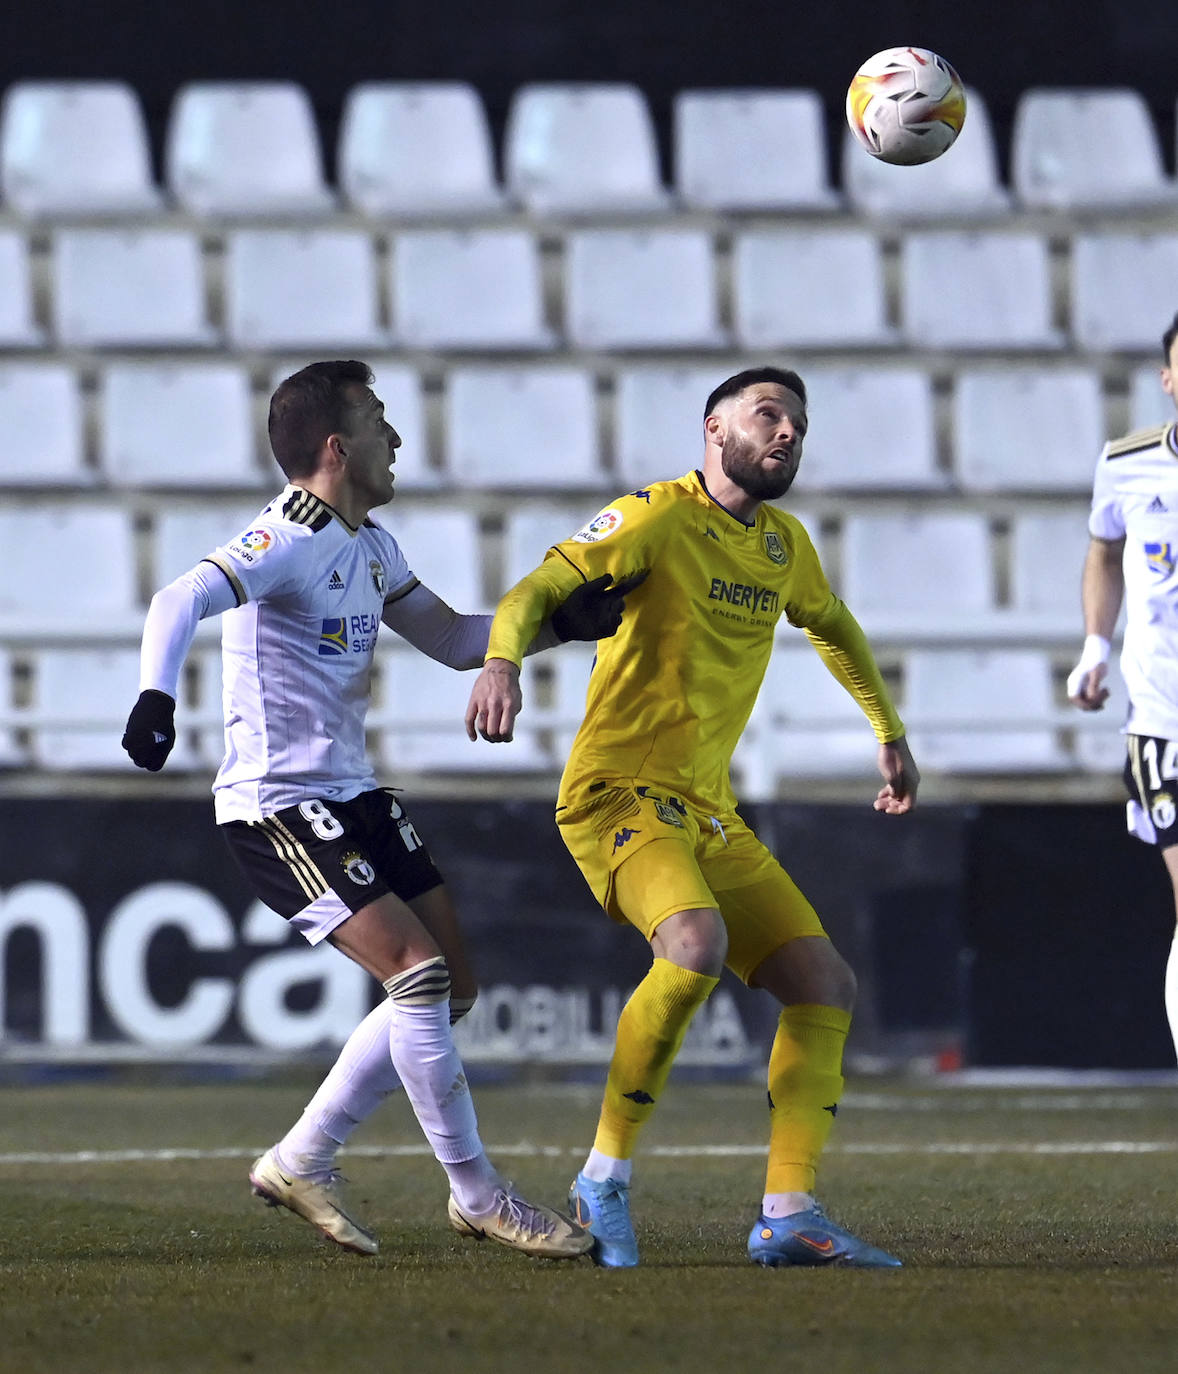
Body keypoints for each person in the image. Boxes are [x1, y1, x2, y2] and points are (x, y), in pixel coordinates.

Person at [122, 359, 640, 1261]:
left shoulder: (371, 546)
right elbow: (180, 597)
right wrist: (154, 697)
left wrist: (564, 624)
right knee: (421, 978)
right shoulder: (286, 537)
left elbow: (448, 640)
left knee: (450, 988)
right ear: (338, 446)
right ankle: (479, 1194)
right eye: (378, 421)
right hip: (277, 803)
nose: (396, 439)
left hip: (353, 791)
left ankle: (301, 1158)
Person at [464, 365, 919, 1269]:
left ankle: (788, 1212)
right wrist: (502, 664)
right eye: (766, 415)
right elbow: (533, 593)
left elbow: (832, 623)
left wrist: (889, 729)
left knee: (825, 984)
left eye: (797, 419)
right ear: (714, 430)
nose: (787, 431)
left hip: (706, 810)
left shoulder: (784, 547)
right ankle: (602, 1178)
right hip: (615, 792)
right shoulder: (655, 517)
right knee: (694, 947)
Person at [1068, 312, 1178, 1066]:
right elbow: (1104, 553)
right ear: (1169, 377)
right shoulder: (1129, 462)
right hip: (1164, 715)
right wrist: (1093, 646)